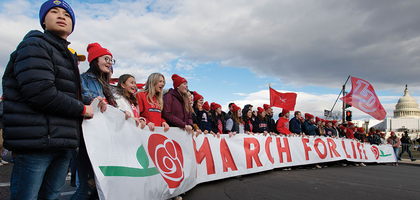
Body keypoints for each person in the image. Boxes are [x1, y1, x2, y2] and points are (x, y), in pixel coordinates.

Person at [2, 1, 95, 199]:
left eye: (67, 15)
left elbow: (68, 93)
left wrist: (91, 103)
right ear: (43, 21)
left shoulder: (67, 56)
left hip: (61, 142)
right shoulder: (35, 45)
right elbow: (41, 93)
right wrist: (82, 109)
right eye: (54, 12)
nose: (61, 16)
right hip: (36, 142)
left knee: (50, 196)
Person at [72, 42, 118, 200]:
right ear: (94, 60)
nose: (109, 63)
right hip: (87, 141)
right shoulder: (82, 79)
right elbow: (76, 99)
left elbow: (111, 110)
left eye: (112, 60)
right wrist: (92, 100)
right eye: (106, 59)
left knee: (101, 188)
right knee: (88, 187)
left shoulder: (106, 85)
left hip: (104, 140)